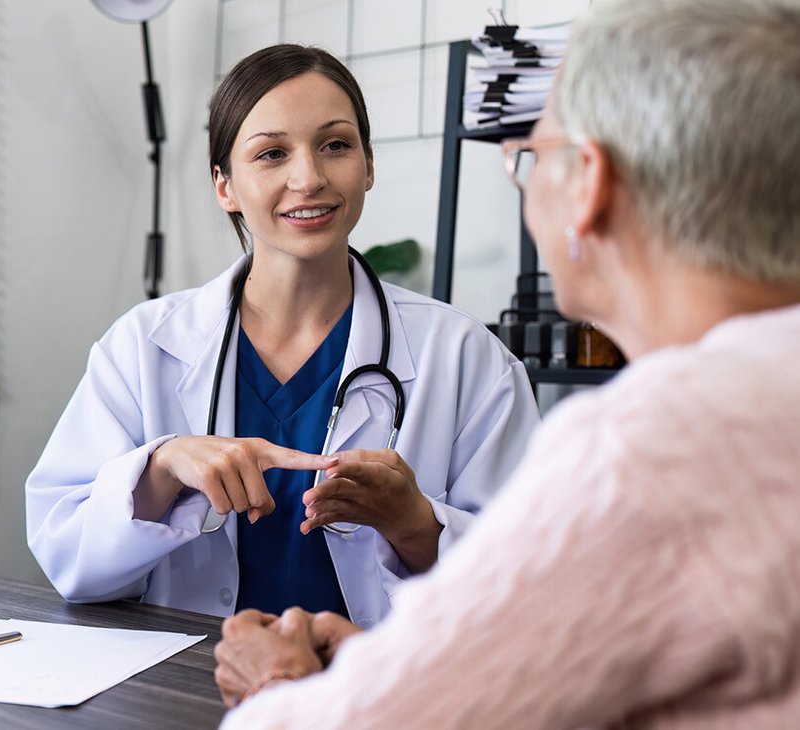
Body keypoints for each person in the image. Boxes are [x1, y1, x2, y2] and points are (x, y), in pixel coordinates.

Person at [214, 0, 800, 724]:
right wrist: (383, 665)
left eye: (531, 157)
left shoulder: (650, 449)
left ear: (588, 185)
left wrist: (275, 683)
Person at [25, 44, 541, 625]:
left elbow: (533, 578)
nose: (309, 178)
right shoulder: (144, 347)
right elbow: (68, 558)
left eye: (336, 145)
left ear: (368, 164)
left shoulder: (466, 358)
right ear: (224, 186)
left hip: (379, 695)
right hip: (191, 690)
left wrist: (415, 524)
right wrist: (162, 470)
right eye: (272, 153)